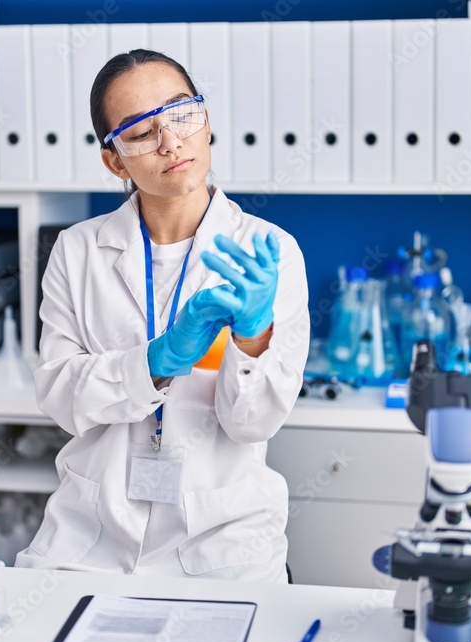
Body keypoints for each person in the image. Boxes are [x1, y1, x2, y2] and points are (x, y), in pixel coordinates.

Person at [16, 49, 310, 582]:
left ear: (207, 121)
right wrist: (156, 360)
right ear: (114, 160)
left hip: (222, 543)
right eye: (139, 131)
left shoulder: (270, 251)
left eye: (181, 113)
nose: (171, 141)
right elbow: (60, 396)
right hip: (91, 537)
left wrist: (251, 341)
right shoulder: (77, 250)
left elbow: (254, 424)